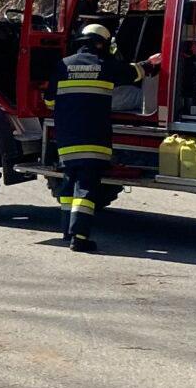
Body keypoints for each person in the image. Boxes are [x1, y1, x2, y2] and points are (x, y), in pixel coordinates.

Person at [51, 19, 139, 252]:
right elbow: (133, 74)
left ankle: (66, 232)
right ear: (102, 44)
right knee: (86, 188)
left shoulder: (63, 64)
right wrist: (151, 64)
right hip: (93, 138)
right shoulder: (105, 64)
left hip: (67, 139)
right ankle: (79, 238)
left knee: (69, 186)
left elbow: (48, 100)